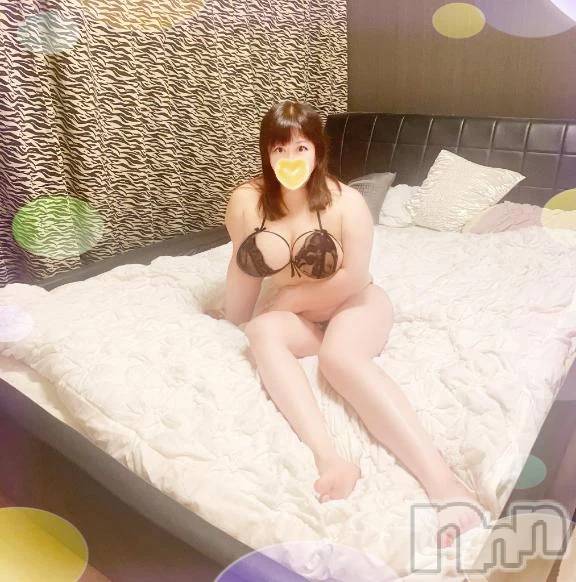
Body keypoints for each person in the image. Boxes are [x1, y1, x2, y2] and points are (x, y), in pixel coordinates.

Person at [219, 99, 483, 548]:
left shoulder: (347, 203)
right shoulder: (247, 201)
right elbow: (245, 265)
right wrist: (234, 317)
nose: (289, 159)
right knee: (260, 332)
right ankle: (331, 459)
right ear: (265, 152)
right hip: (302, 322)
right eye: (279, 148)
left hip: (356, 304)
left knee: (339, 358)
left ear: (318, 151)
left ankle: (444, 484)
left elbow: (354, 277)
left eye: (300, 148)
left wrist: (291, 296)